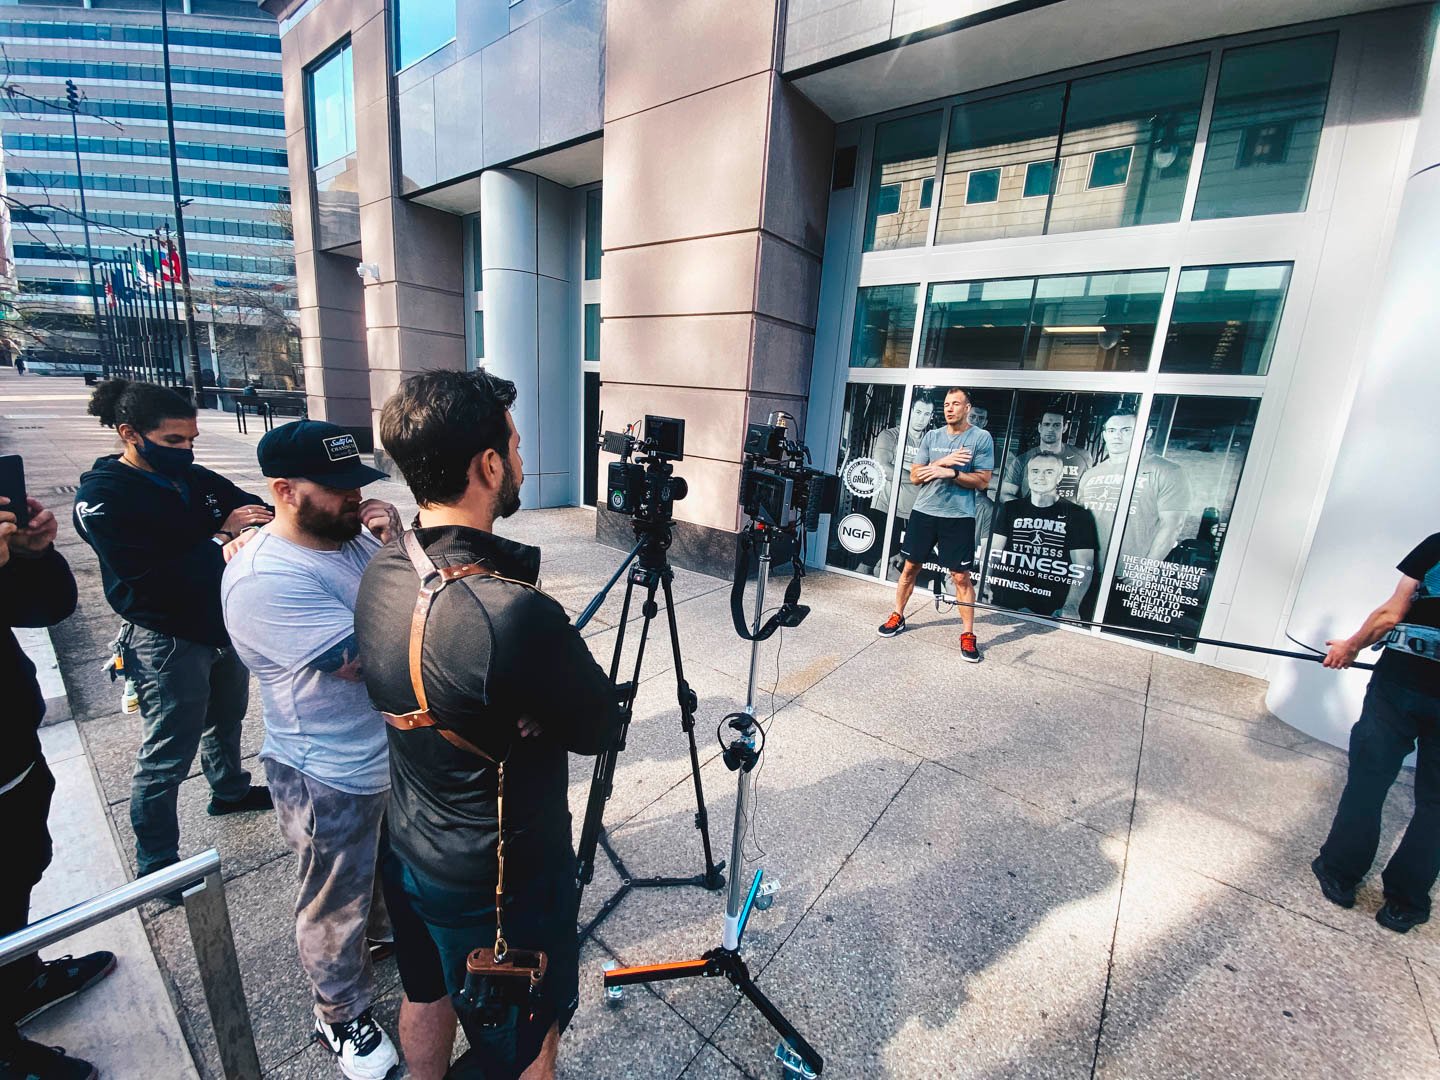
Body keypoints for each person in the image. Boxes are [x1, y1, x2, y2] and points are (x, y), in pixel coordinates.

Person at [354, 369, 623, 1079]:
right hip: (498, 889)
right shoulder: (510, 612)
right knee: (529, 1047)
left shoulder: (385, 564)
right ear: (490, 466)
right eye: (517, 445)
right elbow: (600, 726)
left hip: (409, 847)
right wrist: (536, 706)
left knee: (425, 992)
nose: (522, 460)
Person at [220, 421, 418, 1079]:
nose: (354, 498)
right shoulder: (263, 577)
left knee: (378, 875)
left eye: (356, 483)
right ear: (284, 490)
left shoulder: (354, 538)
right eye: (336, 488)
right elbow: (374, 659)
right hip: (325, 771)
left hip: (386, 749)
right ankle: (339, 1013)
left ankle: (379, 940)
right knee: (334, 902)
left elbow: (417, 602)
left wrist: (398, 544)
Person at [73, 379, 274, 888]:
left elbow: (250, 504)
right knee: (167, 752)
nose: (185, 450)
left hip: (219, 623)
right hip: (166, 639)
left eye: (191, 440)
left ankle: (229, 790)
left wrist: (245, 526)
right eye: (173, 441)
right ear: (130, 434)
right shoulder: (104, 497)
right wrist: (223, 536)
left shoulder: (191, 477)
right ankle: (157, 862)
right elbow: (152, 576)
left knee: (226, 718)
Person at [0, 493, 115, 1080]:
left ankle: (19, 978)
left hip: (14, 752)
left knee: (20, 870)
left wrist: (32, 555)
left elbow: (47, 606)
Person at [1312, 534, 1440, 933]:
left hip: (1400, 685)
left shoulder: (1437, 546)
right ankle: (1405, 902)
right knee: (1436, 804)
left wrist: (1350, 647)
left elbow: (1390, 614)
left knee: (1368, 782)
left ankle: (1339, 871)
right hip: (1402, 687)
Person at [876, 387, 994, 662]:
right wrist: (943, 462)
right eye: (946, 404)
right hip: (924, 512)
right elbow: (916, 477)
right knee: (909, 568)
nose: (949, 408)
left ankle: (968, 634)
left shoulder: (980, 438)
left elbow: (983, 481)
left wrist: (950, 473)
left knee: (960, 577)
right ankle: (898, 615)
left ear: (967, 408)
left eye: (956, 404)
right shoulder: (932, 436)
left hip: (959, 516)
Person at [986, 452, 1097, 619]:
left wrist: (1071, 606)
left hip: (1051, 606)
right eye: (1035, 471)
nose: (1040, 477)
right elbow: (993, 551)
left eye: (1049, 472)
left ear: (1060, 477)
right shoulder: (1010, 509)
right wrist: (984, 584)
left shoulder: (1078, 515)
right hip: (1007, 598)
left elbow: (1083, 565)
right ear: (1028, 475)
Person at [1074, 409, 1189, 563]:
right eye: (1112, 430)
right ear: (1104, 435)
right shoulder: (1091, 474)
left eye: (1126, 430)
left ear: (1147, 434)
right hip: (1087, 568)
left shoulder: (1168, 471)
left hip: (1129, 570)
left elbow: (1172, 526)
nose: (1117, 436)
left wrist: (1144, 569)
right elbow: (1079, 524)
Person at [1000, 408, 1091, 502]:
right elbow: (1004, 494)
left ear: (1064, 427)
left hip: (1068, 510)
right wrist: (1027, 509)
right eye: (1047, 424)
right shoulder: (1022, 460)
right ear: (1040, 428)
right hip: (1033, 510)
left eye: (1056, 425)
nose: (1050, 429)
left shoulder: (1082, 457)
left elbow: (1088, 493)